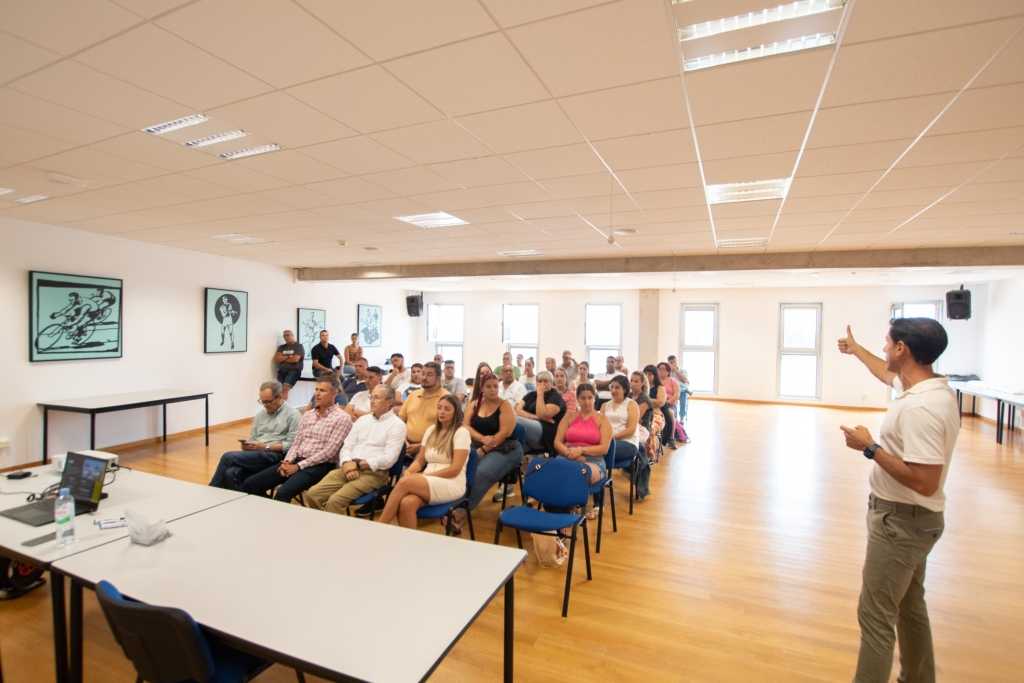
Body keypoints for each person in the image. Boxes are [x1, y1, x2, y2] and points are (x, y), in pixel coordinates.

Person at [837, 320, 958, 683]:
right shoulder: (925, 389)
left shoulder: (921, 407)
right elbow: (885, 372)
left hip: (901, 524)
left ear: (903, 349)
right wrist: (857, 351)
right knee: (910, 605)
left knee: (875, 616)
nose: (884, 349)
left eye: (887, 344)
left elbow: (924, 481)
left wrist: (869, 448)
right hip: (916, 521)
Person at [242, 374, 352, 502]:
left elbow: (329, 452)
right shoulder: (308, 415)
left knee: (282, 493)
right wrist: (287, 461)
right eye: (316, 389)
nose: (317, 394)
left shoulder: (342, 418)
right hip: (296, 460)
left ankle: (275, 513)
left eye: (322, 390)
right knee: (250, 484)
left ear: (335, 393)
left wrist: (298, 466)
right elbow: (296, 443)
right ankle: (265, 510)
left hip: (320, 466)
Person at [301, 385, 406, 515]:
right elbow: (347, 445)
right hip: (348, 468)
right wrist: (346, 463)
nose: (372, 401)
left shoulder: (397, 425)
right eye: (371, 397)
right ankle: (327, 522)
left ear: (389, 402)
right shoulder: (363, 420)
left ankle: (333, 526)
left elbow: (389, 459)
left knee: (335, 501)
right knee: (312, 495)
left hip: (373, 473)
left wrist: (358, 464)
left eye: (377, 398)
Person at [378, 394, 470, 529]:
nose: (442, 412)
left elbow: (455, 469)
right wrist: (409, 471)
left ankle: (380, 526)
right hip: (428, 479)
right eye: (439, 408)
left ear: (456, 412)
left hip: (452, 482)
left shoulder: (461, 433)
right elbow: (420, 460)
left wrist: (424, 476)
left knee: (405, 482)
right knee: (407, 503)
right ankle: (406, 540)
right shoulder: (431, 430)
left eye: (447, 409)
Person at [449, 372, 523, 531]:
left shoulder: (505, 405)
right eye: (488, 386)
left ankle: (460, 512)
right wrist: (482, 439)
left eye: (495, 386)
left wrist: (484, 448)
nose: (493, 389)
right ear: (481, 388)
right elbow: (465, 426)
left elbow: (504, 433)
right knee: (459, 466)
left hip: (506, 448)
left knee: (481, 472)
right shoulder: (474, 404)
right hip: (480, 444)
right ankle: (450, 505)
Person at [209, 381, 300, 491]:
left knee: (228, 457)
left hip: (276, 455)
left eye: (268, 401)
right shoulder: (260, 415)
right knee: (230, 473)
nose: (265, 405)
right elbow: (253, 438)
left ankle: (211, 490)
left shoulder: (293, 415)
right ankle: (246, 498)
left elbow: (292, 445)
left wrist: (265, 447)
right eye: (262, 402)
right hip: (258, 453)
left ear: (279, 397)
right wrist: (248, 446)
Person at [554, 383, 612, 488]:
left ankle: (568, 498)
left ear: (594, 398)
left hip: (594, 461)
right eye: (583, 398)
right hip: (568, 456)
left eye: (590, 398)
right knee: (552, 473)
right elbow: (557, 442)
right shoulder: (568, 416)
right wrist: (569, 453)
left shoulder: (602, 419)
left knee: (576, 474)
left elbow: (604, 448)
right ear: (577, 399)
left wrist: (581, 450)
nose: (587, 402)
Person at [602, 375, 649, 500]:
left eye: (617, 387)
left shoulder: (631, 404)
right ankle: (595, 490)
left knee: (599, 452)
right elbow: (600, 426)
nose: (613, 390)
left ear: (625, 389)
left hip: (628, 443)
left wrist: (611, 437)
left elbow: (631, 430)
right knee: (593, 453)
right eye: (612, 387)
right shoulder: (605, 405)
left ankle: (598, 492)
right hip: (608, 443)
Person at [399, 361, 447, 458]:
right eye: (423, 373)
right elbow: (400, 420)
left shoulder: (446, 398)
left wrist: (421, 446)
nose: (424, 377)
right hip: (405, 444)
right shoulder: (413, 395)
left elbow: (448, 431)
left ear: (438, 378)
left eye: (429, 375)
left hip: (432, 448)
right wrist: (403, 439)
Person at [514, 371, 566, 454]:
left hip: (546, 431)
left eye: (545, 381)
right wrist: (535, 417)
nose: (542, 384)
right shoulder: (531, 394)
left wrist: (540, 395)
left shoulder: (555, 397)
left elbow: (542, 414)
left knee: (516, 420)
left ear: (551, 383)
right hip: (531, 426)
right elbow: (517, 409)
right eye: (540, 381)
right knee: (511, 421)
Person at [631, 371, 664, 464]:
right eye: (631, 380)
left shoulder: (644, 398)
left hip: (642, 428)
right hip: (632, 424)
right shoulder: (629, 396)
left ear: (642, 383)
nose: (632, 383)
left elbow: (635, 418)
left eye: (636, 381)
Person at [644, 364, 675, 450]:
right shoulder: (642, 387)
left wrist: (644, 400)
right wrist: (652, 401)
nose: (647, 376)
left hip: (658, 411)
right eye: (645, 374)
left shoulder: (660, 387)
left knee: (669, 415)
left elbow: (660, 402)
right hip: (644, 411)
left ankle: (669, 438)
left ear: (655, 375)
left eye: (650, 374)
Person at [273, 330, 304, 400]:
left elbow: (295, 359)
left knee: (285, 389)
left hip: (294, 371)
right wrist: (288, 357)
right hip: (281, 371)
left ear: (292, 335)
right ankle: (281, 405)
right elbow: (276, 359)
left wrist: (283, 358)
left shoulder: (298, 346)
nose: (286, 337)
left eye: (288, 335)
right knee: (279, 390)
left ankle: (283, 406)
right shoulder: (281, 347)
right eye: (284, 336)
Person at [658, 362, 681, 448]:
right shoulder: (656, 381)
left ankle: (671, 438)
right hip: (658, 404)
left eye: (663, 369)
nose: (661, 371)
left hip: (669, 404)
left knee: (670, 413)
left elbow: (676, 394)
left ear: (668, 371)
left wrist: (668, 402)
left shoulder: (673, 381)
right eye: (659, 369)